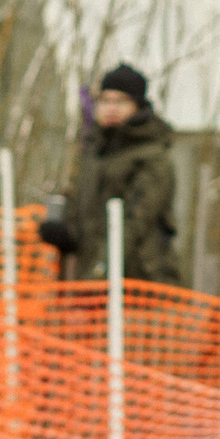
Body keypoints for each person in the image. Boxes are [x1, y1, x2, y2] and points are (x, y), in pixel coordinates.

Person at [39, 63, 184, 287]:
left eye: (121, 101)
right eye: (105, 100)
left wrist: (100, 271)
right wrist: (66, 234)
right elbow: (86, 215)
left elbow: (135, 223)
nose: (111, 108)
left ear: (138, 106)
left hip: (140, 283)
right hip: (93, 282)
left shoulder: (152, 157)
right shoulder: (93, 154)